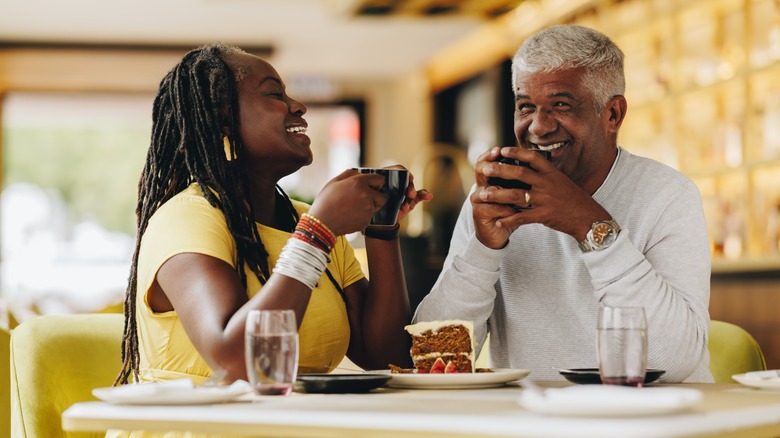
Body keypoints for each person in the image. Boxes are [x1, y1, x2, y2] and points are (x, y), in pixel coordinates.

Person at [114, 43, 431, 389]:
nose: (298, 106)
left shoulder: (309, 222)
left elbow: (386, 356)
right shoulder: (188, 217)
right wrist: (317, 233)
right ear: (224, 118)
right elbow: (237, 362)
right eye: (275, 94)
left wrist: (382, 227)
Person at [413, 24, 713, 383]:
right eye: (526, 107)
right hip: (540, 423)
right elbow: (434, 358)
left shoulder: (668, 195)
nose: (538, 127)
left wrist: (588, 224)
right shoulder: (495, 201)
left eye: (560, 105)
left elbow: (674, 361)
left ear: (613, 115)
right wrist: (482, 250)